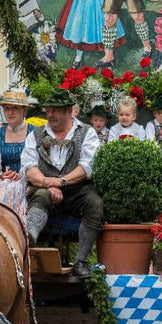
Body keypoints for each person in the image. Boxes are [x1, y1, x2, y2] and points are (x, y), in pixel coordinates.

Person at [20, 88, 103, 279]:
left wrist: (61, 181)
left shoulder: (87, 132)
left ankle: (81, 261)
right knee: (41, 195)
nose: (50, 114)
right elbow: (29, 167)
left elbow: (87, 167)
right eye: (48, 110)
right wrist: (48, 184)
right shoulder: (36, 134)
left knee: (94, 203)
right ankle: (28, 244)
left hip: (76, 190)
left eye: (55, 110)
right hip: (44, 188)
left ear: (69, 111)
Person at [0, 90, 35, 217]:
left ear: (24, 110)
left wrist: (23, 175)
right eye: (7, 108)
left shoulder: (34, 132)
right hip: (1, 181)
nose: (10, 112)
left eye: (15, 108)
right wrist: (1, 174)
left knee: (15, 190)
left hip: (28, 181)